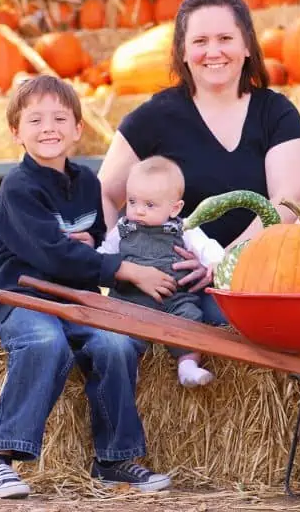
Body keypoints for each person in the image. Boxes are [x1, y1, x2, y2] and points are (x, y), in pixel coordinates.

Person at [96, 0, 300, 489]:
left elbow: (287, 202)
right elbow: (106, 194)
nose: (212, 51)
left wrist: (225, 260)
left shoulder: (275, 112)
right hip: (163, 282)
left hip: (250, 276)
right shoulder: (154, 117)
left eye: (225, 38)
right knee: (110, 343)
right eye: (199, 41)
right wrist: (122, 262)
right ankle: (115, 457)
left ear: (246, 46)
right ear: (182, 51)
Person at [0, 75, 174, 499]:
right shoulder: (19, 188)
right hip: (21, 296)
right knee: (47, 344)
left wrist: (91, 251)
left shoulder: (88, 184)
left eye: (60, 118)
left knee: (115, 345)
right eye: (36, 120)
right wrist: (124, 269)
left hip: (73, 296)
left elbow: (92, 243)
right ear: (16, 132)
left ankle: (114, 460)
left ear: (78, 129)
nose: (49, 128)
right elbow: (53, 255)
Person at [96, 155, 225, 387]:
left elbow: (210, 249)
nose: (139, 211)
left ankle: (187, 366)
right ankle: (128, 367)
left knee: (191, 319)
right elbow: (104, 255)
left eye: (150, 205)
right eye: (132, 201)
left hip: (174, 299)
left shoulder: (184, 229)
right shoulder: (122, 230)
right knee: (117, 327)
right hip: (130, 300)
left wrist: (214, 263)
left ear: (175, 208)